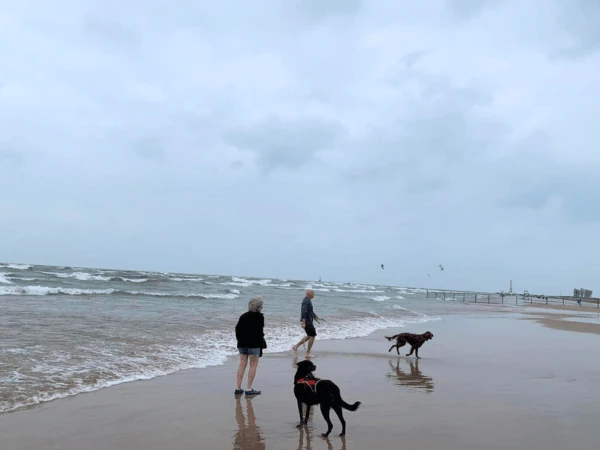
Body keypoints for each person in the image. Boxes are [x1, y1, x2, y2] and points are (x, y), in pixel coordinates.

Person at [235, 296, 265, 396]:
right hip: (254, 344)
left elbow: (237, 330)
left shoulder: (243, 316)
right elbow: (260, 333)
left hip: (242, 344)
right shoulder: (260, 317)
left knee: (242, 364)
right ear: (260, 307)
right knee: (253, 365)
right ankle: (249, 388)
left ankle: (238, 388)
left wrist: (239, 341)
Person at [292, 289, 319, 356]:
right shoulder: (306, 301)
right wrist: (303, 322)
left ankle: (295, 346)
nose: (314, 294)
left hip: (309, 321)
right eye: (313, 293)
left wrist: (314, 315)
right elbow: (304, 312)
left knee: (309, 336)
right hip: (307, 322)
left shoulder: (308, 300)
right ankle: (308, 353)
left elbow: (309, 311)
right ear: (309, 294)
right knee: (312, 336)